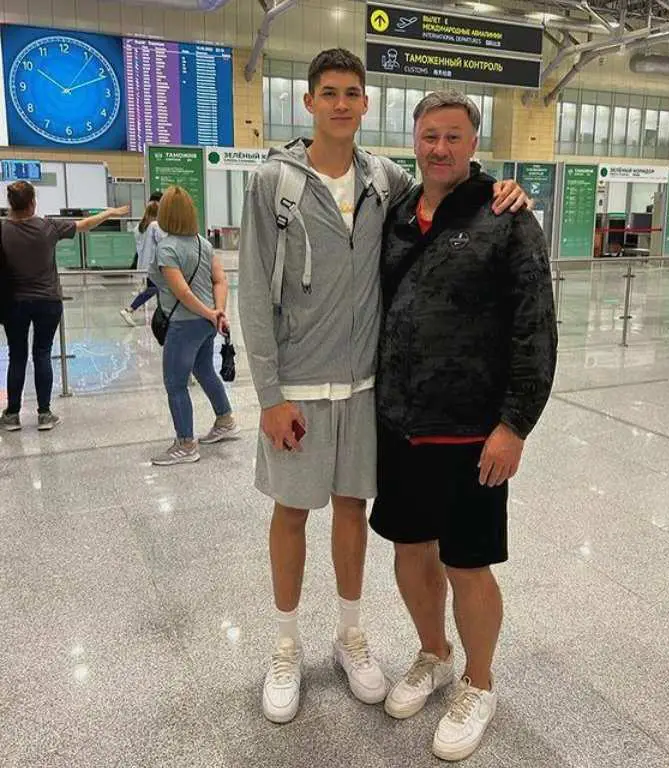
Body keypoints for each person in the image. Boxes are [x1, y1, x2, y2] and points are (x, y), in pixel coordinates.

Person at [238, 47, 529, 725]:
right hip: (299, 392)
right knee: (289, 513)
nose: (341, 104)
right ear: (307, 102)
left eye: (352, 93)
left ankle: (350, 634)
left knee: (350, 513)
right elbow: (254, 294)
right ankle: (285, 645)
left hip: (368, 390)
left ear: (367, 105)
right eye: (328, 92)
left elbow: (450, 188)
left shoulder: (384, 181)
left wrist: (504, 190)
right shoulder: (273, 184)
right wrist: (269, 395)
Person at [370, 92, 557, 761]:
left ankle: (479, 682)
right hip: (398, 422)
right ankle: (434, 653)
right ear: (413, 140)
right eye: (429, 136)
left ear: (473, 144)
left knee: (467, 563)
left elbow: (537, 327)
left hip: (471, 431)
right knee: (409, 549)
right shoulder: (395, 213)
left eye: (453, 136)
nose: (440, 148)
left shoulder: (507, 217)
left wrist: (515, 424)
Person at [0, 181, 129, 431]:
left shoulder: (3, 231)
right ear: (32, 203)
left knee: (17, 356)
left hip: (14, 303)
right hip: (48, 301)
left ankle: (13, 414)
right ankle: (44, 413)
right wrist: (109, 213)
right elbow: (84, 225)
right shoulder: (48, 227)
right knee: (42, 353)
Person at [149, 186, 239, 466]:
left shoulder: (166, 248)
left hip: (184, 324)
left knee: (175, 383)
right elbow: (219, 281)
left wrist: (212, 313)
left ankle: (186, 443)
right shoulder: (204, 243)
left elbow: (182, 293)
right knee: (203, 369)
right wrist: (217, 312)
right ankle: (225, 419)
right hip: (205, 324)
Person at [120, 200, 162, 326]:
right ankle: (129, 309)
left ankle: (164, 314)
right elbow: (163, 241)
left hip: (145, 263)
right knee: (154, 288)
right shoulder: (155, 226)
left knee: (159, 289)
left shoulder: (140, 227)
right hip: (154, 264)